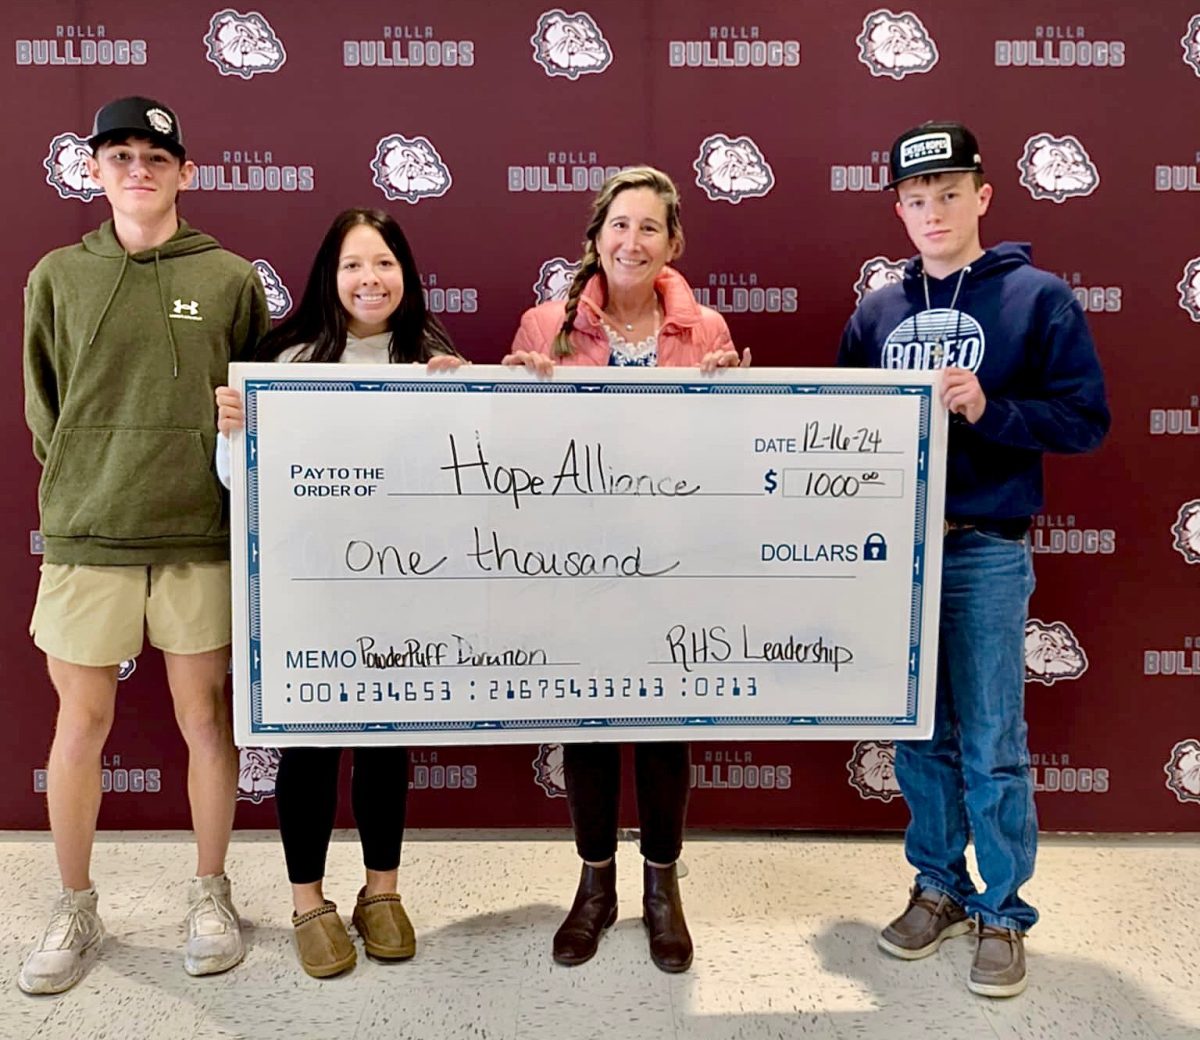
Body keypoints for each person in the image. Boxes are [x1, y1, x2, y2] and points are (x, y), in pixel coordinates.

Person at [837, 121, 1110, 997]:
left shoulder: (1038, 297)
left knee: (992, 737)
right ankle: (939, 884)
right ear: (898, 209)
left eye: (949, 194)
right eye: (916, 200)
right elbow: (841, 429)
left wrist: (992, 412)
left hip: (987, 548)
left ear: (984, 196)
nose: (933, 212)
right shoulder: (878, 310)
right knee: (920, 732)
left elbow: (1084, 421)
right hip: (898, 555)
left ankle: (1003, 907)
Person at [20, 96, 270, 994]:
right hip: (90, 533)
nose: (138, 169)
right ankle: (76, 904)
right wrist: (99, 470)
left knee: (205, 721)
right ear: (94, 171)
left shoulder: (234, 279)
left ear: (185, 172)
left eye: (155, 157)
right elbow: (45, 412)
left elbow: (254, 407)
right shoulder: (56, 276)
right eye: (119, 155)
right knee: (80, 723)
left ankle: (211, 894)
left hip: (198, 533)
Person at [504, 166, 749, 973]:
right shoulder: (547, 325)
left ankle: (662, 888)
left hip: (677, 563)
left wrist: (739, 399)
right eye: (618, 226)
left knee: (666, 729)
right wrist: (517, 397)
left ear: (672, 243)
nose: (631, 241)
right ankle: (595, 886)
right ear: (595, 240)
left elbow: (731, 460)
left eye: (649, 227)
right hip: (578, 566)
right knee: (589, 724)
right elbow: (511, 464)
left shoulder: (707, 330)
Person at [214, 208, 466, 978]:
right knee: (312, 749)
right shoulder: (284, 360)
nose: (369, 279)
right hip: (307, 591)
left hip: (404, 593)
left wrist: (468, 407)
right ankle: (308, 903)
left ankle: (381, 893)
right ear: (329, 275)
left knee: (388, 743)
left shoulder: (435, 359)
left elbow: (471, 483)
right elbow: (236, 488)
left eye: (384, 263)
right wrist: (234, 435)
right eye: (354, 265)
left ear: (405, 275)